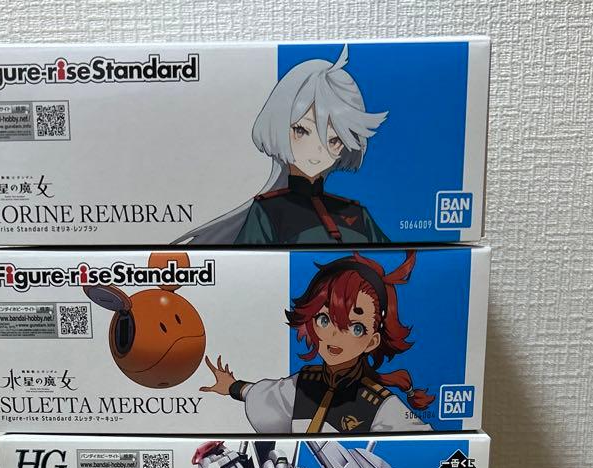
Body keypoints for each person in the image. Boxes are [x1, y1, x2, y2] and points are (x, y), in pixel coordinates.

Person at [200, 252, 434, 433]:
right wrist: (232, 386)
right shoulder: (304, 382)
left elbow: (428, 450)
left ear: (372, 341)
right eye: (325, 320)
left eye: (355, 327)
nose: (335, 335)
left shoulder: (378, 405)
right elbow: (264, 396)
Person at [177, 46, 389, 246]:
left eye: (334, 140)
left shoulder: (356, 214)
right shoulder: (268, 211)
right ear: (278, 126)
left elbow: (395, 259)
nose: (317, 151)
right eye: (302, 131)